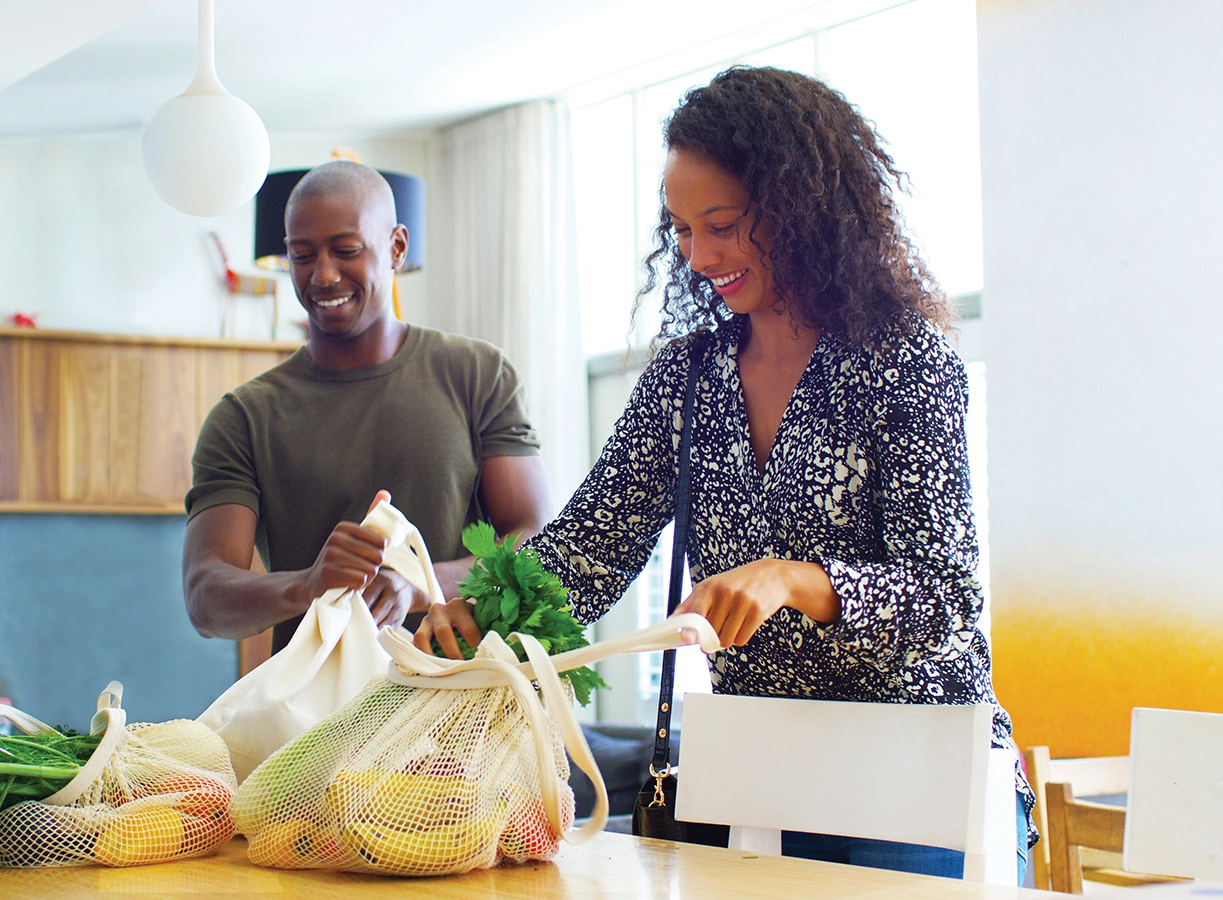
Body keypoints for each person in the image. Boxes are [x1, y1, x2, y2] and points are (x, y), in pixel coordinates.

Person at [414, 67, 1035, 881]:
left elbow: (943, 597)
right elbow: (588, 550)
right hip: (761, 772)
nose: (699, 256)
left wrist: (796, 579)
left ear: (804, 208)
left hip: (919, 772)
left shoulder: (904, 362)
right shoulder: (687, 379)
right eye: (681, 229)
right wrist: (484, 614)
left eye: (724, 226)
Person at [183, 160, 552, 655]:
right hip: (316, 702)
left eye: (346, 250)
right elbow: (205, 598)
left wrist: (420, 581)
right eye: (302, 255)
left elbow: (536, 542)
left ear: (397, 247)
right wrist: (308, 584)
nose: (323, 275)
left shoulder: (478, 374)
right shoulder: (243, 418)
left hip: (463, 690)